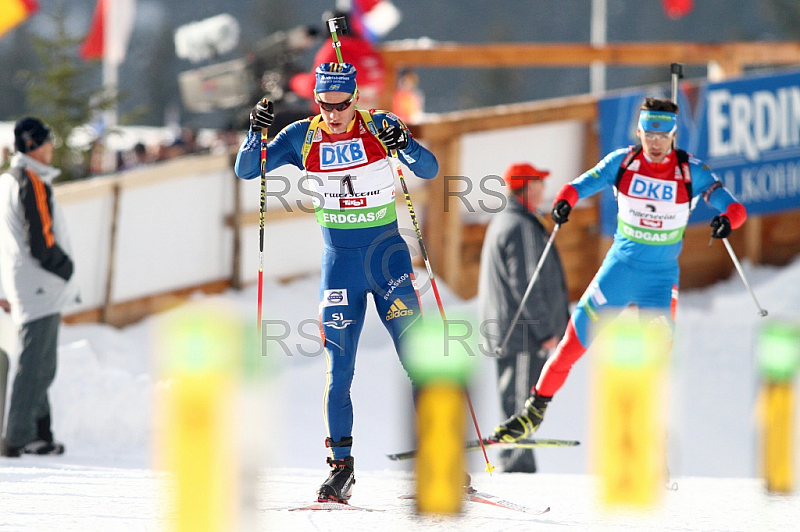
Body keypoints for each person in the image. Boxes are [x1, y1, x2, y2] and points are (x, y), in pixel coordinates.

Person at [235, 62, 438, 502]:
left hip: (389, 264)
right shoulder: (300, 136)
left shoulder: (381, 125)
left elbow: (430, 169)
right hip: (340, 267)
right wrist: (255, 132)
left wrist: (404, 144)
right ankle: (341, 470)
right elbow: (247, 170)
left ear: (355, 99)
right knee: (338, 371)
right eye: (324, 106)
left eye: (341, 106)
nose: (333, 115)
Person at [493, 98, 747, 442]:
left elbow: (734, 208)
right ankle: (532, 413)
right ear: (640, 131)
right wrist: (564, 202)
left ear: (673, 134)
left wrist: (725, 220)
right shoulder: (623, 163)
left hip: (659, 281)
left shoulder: (691, 172)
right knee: (572, 343)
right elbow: (577, 186)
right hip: (619, 271)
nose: (655, 144)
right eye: (649, 135)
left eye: (663, 136)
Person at [478, 162, 569, 472]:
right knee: (520, 402)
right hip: (522, 334)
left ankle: (518, 460)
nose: (544, 189)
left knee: (517, 398)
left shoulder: (509, 221)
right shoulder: (520, 226)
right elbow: (528, 283)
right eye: (540, 182)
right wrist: (546, 328)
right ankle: (516, 464)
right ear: (527, 187)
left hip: (513, 332)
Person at [0, 117, 80, 457]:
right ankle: (17, 436)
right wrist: (65, 268)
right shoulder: (29, 180)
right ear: (33, 145)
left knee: (38, 359)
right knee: (38, 364)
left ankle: (38, 433)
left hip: (23, 284)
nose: (51, 148)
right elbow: (41, 240)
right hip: (39, 286)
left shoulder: (7, 179)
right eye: (47, 142)